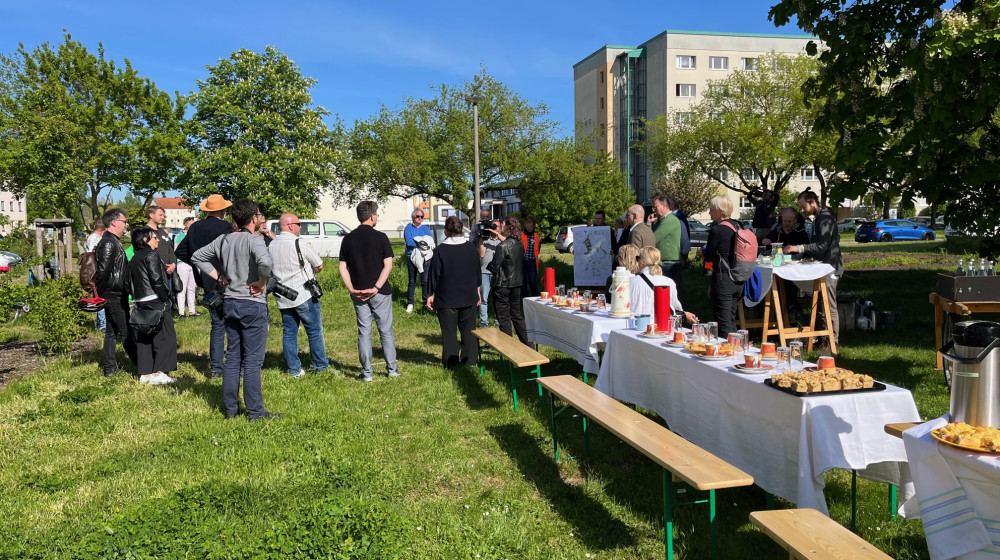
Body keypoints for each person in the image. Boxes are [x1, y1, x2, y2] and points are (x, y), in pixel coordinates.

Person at [192, 199, 280, 421]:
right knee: (252, 361)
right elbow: (266, 264)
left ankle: (230, 410)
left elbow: (197, 257)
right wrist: (261, 281)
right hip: (252, 304)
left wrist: (220, 278)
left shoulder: (223, 240)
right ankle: (255, 412)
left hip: (230, 302)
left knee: (232, 358)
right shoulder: (254, 241)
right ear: (253, 219)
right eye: (259, 216)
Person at [339, 201, 401, 382]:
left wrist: (351, 288)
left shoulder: (348, 239)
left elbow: (342, 267)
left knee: (364, 332)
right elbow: (388, 265)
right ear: (373, 216)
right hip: (380, 292)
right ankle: (392, 370)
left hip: (358, 292)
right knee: (386, 331)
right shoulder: (381, 237)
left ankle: (367, 373)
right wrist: (376, 287)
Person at [175, 194, 235, 379]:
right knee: (232, 324)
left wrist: (197, 266)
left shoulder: (195, 228)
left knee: (217, 325)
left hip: (206, 281)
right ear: (223, 210)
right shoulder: (225, 227)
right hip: (226, 279)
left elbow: (180, 252)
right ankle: (232, 365)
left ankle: (216, 368)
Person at [783, 188, 844, 352]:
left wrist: (798, 248)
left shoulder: (824, 217)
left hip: (830, 268)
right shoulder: (818, 217)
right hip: (823, 267)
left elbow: (822, 245)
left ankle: (832, 341)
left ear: (812, 202)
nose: (802, 210)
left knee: (829, 306)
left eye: (803, 207)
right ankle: (823, 338)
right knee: (820, 305)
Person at [269, 213, 329, 377]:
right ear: (290, 225)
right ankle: (321, 366)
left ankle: (294, 369)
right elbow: (319, 265)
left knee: (289, 332)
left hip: (283, 295)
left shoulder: (272, 245)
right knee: (314, 331)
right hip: (303, 293)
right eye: (298, 223)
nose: (300, 226)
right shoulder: (299, 243)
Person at [427, 216, 481, 368]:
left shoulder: (440, 250)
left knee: (449, 333)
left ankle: (451, 362)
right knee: (469, 331)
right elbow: (477, 273)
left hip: (447, 298)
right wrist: (478, 291)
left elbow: (434, 275)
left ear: (446, 231)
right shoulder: (471, 248)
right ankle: (470, 360)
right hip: (468, 295)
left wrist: (429, 294)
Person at [126, 227, 178, 385]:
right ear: (145, 240)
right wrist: (164, 298)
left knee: (144, 337)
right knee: (166, 336)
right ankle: (158, 372)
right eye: (154, 237)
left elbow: (128, 283)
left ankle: (145, 373)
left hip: (141, 301)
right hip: (155, 299)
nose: (158, 239)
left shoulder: (134, 258)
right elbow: (156, 279)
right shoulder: (151, 254)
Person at [94, 207, 137, 377]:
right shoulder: (109, 243)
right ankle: (142, 367)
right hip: (113, 293)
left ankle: (110, 368)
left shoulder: (112, 241)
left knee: (111, 332)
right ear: (114, 222)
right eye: (124, 221)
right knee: (126, 331)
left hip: (115, 292)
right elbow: (103, 272)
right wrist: (100, 294)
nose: (126, 225)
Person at [704, 195, 743, 338]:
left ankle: (728, 352)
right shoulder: (738, 226)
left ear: (720, 211)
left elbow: (709, 256)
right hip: (739, 278)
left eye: (711, 209)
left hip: (723, 279)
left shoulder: (717, 230)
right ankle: (737, 348)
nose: (709, 212)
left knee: (723, 322)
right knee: (731, 319)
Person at [628, 246, 698, 324]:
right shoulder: (668, 282)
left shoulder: (630, 282)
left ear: (643, 261)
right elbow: (675, 307)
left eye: (638, 258)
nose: (636, 261)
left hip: (636, 325)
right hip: (661, 326)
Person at [487, 216, 528, 342]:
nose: (501, 226)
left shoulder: (502, 246)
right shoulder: (520, 244)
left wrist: (489, 265)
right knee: (516, 315)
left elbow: (494, 267)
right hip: (516, 284)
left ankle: (509, 346)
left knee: (504, 317)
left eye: (503, 224)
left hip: (502, 285)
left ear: (509, 228)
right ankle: (528, 344)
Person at [651, 195, 684, 303]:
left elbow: (653, 238)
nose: (653, 209)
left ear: (664, 205)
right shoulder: (662, 220)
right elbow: (651, 235)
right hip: (665, 262)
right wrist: (649, 223)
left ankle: (674, 316)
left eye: (655, 206)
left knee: (667, 296)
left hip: (669, 263)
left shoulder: (670, 220)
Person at [403, 208, 432, 314]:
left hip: (425, 258)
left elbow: (429, 241)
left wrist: (419, 241)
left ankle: (426, 302)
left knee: (425, 281)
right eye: (418, 216)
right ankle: (410, 303)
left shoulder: (425, 228)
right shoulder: (408, 228)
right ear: (413, 217)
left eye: (421, 217)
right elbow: (409, 242)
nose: (420, 218)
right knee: (412, 281)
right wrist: (421, 242)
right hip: (412, 257)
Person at [174, 217, 199, 318]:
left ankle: (192, 311)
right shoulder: (179, 236)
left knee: (192, 288)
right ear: (186, 225)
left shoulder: (196, 236)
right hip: (182, 263)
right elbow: (177, 250)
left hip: (193, 264)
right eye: (191, 224)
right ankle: (181, 312)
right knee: (182, 288)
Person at [477, 219, 501, 328]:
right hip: (484, 272)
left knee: (498, 298)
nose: (495, 228)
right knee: (484, 298)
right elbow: (481, 254)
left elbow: (506, 242)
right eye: (493, 226)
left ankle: (498, 320)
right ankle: (484, 322)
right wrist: (481, 238)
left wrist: (496, 233)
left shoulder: (501, 241)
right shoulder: (485, 240)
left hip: (498, 273)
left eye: (497, 226)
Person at [86, 220, 107, 333]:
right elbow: (91, 254)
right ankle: (102, 325)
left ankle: (101, 323)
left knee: (100, 297)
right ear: (102, 231)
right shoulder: (94, 239)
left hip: (96, 271)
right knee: (100, 297)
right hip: (96, 271)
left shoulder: (93, 237)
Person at [520, 217, 541, 297]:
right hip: (522, 262)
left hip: (532, 262)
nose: (528, 225)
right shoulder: (521, 235)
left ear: (533, 225)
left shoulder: (537, 237)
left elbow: (538, 250)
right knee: (523, 283)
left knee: (533, 282)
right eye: (526, 223)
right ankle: (525, 300)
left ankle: (535, 298)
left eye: (530, 223)